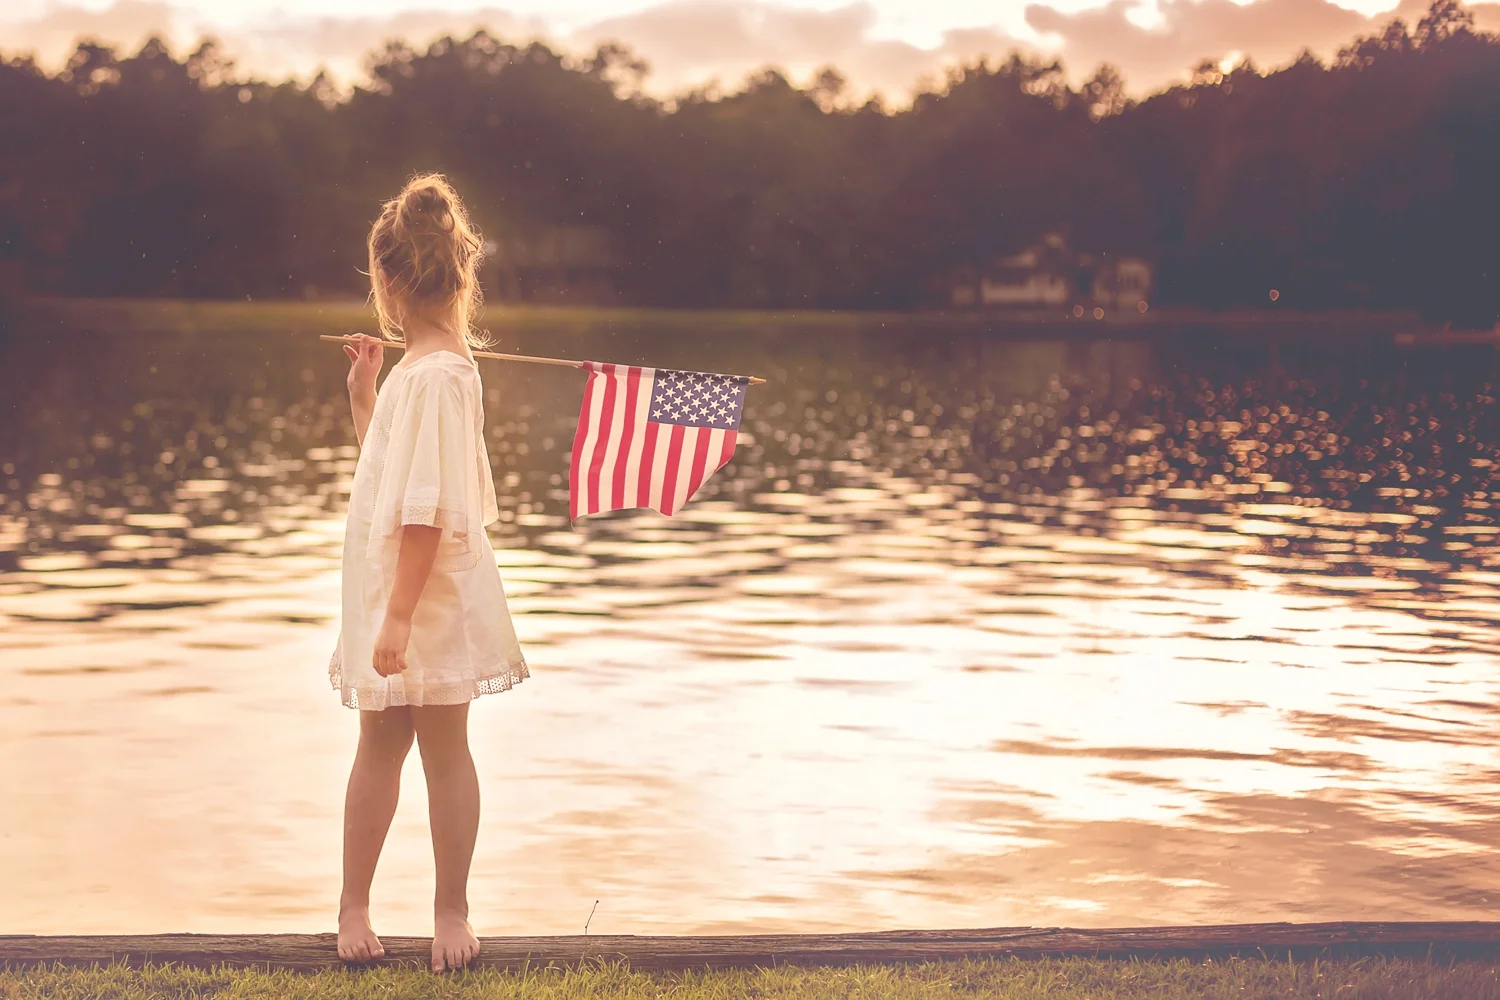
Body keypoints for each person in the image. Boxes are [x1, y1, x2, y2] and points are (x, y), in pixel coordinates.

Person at [329, 173, 528, 972]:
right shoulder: (421, 372)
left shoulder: (444, 375)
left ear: (387, 280)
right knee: (378, 744)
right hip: (396, 586)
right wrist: (364, 397)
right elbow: (393, 478)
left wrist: (402, 615)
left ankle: (451, 910)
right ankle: (353, 902)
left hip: (425, 593)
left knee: (444, 747)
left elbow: (427, 512)